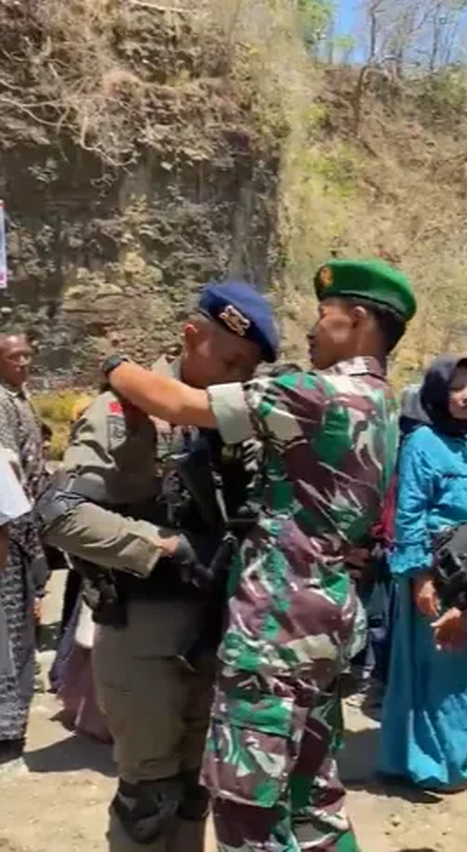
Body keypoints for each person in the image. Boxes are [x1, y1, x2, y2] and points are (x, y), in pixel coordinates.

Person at [101, 258, 416, 852]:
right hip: (327, 622)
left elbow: (177, 403)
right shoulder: (384, 405)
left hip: (274, 628)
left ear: (357, 320)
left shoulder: (314, 394)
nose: (311, 331)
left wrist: (117, 368)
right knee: (315, 799)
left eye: (323, 317)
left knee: (248, 810)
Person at [38, 280, 278, 852]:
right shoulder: (124, 412)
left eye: (245, 370)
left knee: (196, 788)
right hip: (141, 630)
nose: (235, 380)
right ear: (191, 337)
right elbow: (60, 513)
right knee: (149, 797)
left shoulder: (227, 420)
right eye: (229, 361)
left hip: (212, 628)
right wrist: (160, 546)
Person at [379, 355, 467, 791]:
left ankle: (457, 759)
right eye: (458, 387)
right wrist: (420, 576)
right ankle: (428, 764)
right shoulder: (422, 442)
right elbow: (410, 514)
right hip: (437, 571)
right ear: (439, 392)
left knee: (463, 670)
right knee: (434, 665)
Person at [0, 334, 49, 769]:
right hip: (9, 527)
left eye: (27, 355)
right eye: (15, 357)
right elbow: (6, 471)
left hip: (23, 520)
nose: (24, 363)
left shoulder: (20, 398)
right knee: (11, 631)